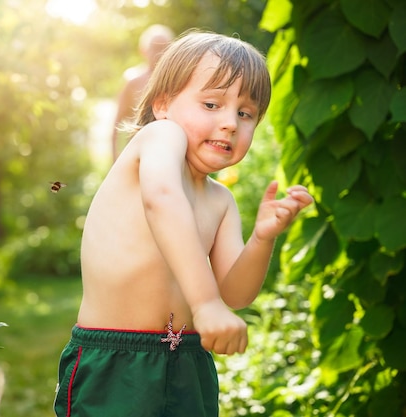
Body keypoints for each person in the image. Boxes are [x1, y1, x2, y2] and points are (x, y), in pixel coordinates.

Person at [54, 29, 313, 417]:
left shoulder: (220, 200)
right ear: (163, 104)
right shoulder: (159, 138)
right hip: (115, 358)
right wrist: (204, 303)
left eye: (245, 113)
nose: (229, 122)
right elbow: (162, 199)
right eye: (211, 104)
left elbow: (236, 294)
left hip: (188, 361)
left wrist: (262, 238)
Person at [111, 24, 175, 162]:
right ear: (143, 50)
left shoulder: (177, 82)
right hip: (138, 157)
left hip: (168, 156)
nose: (161, 53)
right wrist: (115, 160)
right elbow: (116, 124)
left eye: (165, 48)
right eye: (156, 48)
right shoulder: (132, 81)